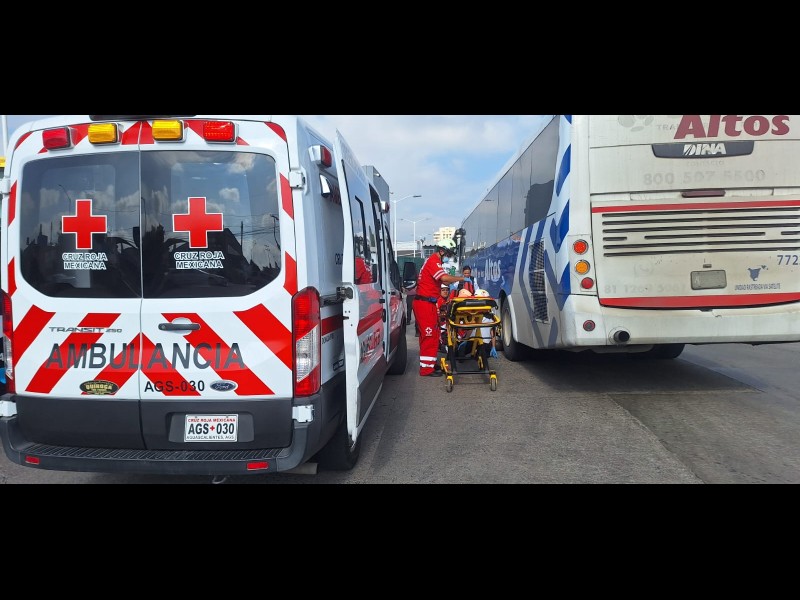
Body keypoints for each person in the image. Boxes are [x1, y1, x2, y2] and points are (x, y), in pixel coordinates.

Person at [413, 238, 472, 377]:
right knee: (429, 335)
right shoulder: (433, 261)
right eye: (448, 254)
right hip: (424, 304)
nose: (449, 257)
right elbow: (444, 279)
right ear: (442, 251)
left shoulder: (434, 262)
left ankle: (430, 363)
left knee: (433, 334)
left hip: (428, 303)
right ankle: (426, 369)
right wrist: (461, 278)